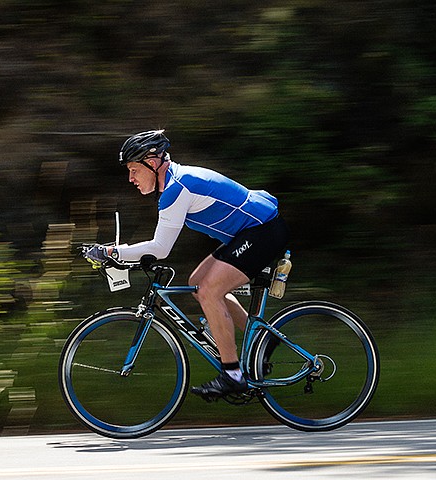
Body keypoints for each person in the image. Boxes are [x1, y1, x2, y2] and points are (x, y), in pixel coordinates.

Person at [85, 130, 288, 398]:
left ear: (152, 161)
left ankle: (233, 375)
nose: (130, 178)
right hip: (252, 231)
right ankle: (265, 338)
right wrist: (117, 253)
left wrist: (112, 251)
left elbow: (160, 249)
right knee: (196, 283)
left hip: (262, 231)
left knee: (209, 291)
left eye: (134, 169)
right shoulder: (175, 183)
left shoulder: (177, 189)